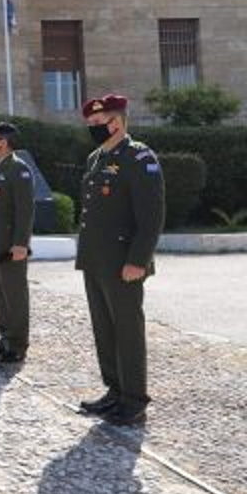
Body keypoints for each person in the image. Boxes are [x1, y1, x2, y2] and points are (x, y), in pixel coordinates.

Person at [76, 94, 165, 427]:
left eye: (98, 123)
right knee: (104, 329)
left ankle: (134, 400)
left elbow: (152, 215)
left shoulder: (139, 157)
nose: (93, 129)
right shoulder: (96, 157)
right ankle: (114, 391)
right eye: (90, 124)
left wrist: (138, 260)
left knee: (127, 330)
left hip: (124, 262)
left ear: (116, 122)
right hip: (95, 259)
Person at [0, 122, 35, 363]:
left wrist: (21, 244)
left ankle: (18, 345)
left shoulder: (18, 169)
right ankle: (5, 339)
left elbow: (25, 210)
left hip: (10, 246)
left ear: (3, 142)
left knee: (14, 296)